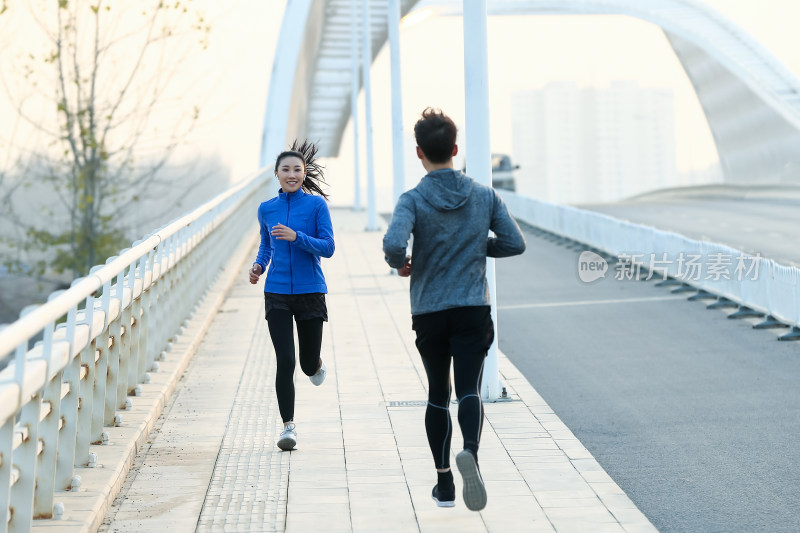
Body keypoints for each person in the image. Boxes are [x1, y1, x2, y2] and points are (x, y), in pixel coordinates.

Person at [382, 108, 526, 511]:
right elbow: (514, 243)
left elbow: (394, 246)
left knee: (436, 393)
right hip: (471, 307)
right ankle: (472, 455)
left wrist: (403, 262)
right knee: (468, 390)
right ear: (455, 148)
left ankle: (444, 484)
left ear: (419, 153)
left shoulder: (412, 200)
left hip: (429, 309)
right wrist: (478, 245)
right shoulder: (484, 196)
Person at [249, 140, 334, 451]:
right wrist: (259, 265)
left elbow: (328, 247)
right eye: (286, 169)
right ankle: (289, 428)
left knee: (306, 363)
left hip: (311, 290)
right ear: (277, 174)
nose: (292, 174)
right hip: (277, 293)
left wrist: (297, 237)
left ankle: (315, 365)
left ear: (304, 173)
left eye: (297, 169)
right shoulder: (266, 209)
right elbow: (267, 246)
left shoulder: (316, 207)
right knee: (285, 360)